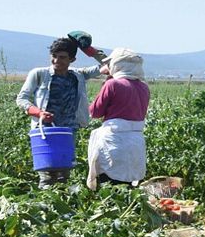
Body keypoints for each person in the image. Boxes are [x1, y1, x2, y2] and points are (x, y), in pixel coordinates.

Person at [16, 38, 102, 188]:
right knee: (47, 175)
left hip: (67, 132)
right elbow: (22, 99)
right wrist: (39, 113)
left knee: (64, 175)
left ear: (72, 59)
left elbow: (108, 64)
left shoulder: (77, 75)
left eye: (62, 57)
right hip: (45, 131)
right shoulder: (39, 74)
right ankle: (44, 208)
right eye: (54, 56)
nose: (56, 60)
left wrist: (89, 50)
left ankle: (60, 207)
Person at [85, 48, 150, 190]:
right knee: (128, 187)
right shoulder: (144, 87)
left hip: (113, 141)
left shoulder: (113, 84)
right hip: (135, 143)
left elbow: (95, 112)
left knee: (109, 186)